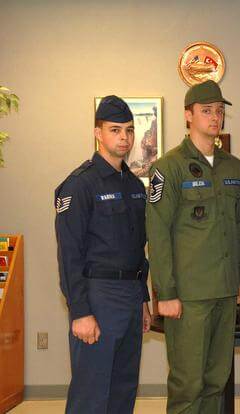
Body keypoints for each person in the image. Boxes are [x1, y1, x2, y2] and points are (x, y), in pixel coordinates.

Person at [146, 80, 240, 414]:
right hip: (188, 296)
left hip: (224, 290)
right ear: (188, 115)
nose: (215, 117)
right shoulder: (169, 167)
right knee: (187, 384)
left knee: (215, 381)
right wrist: (166, 293)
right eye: (207, 111)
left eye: (219, 111)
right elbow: (158, 233)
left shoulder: (232, 167)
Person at [55, 95, 151, 414]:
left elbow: (138, 249)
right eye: (114, 130)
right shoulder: (79, 185)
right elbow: (70, 254)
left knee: (124, 389)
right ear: (98, 133)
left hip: (130, 296)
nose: (123, 137)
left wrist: (143, 300)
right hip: (98, 296)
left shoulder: (135, 185)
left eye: (128, 130)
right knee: (91, 393)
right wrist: (80, 311)